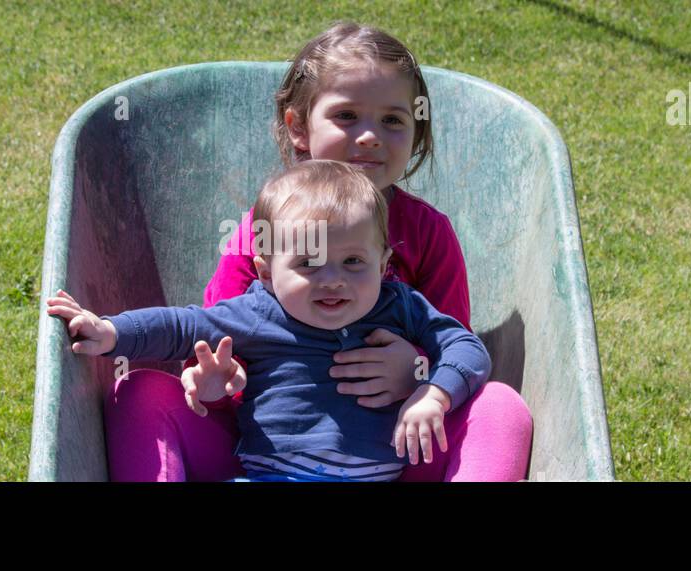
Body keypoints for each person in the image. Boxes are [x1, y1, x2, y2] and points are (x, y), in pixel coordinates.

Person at [103, 21, 533, 481]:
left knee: (500, 406)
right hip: (263, 453)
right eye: (346, 116)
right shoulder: (261, 232)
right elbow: (215, 340)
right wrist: (216, 382)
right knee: (139, 392)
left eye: (392, 119)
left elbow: (456, 345)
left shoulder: (427, 232)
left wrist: (416, 374)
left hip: (397, 455)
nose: (370, 136)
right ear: (298, 127)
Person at [49, 161, 490, 481]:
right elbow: (181, 327)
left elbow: (466, 346)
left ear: (384, 263)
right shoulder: (259, 311)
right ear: (265, 272)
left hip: (380, 475)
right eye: (308, 264)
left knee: (500, 406)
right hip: (272, 476)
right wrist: (112, 331)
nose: (333, 280)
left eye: (354, 261)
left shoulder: (400, 306)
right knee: (134, 388)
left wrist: (432, 393)